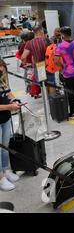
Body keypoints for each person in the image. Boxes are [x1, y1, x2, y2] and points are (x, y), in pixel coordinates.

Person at [0, 59, 21, 191]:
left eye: (3, 68)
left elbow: (8, 93)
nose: (2, 71)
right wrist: (9, 106)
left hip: (6, 119)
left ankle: (6, 169)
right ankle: (0, 178)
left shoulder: (3, 80)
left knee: (5, 147)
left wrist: (14, 100)